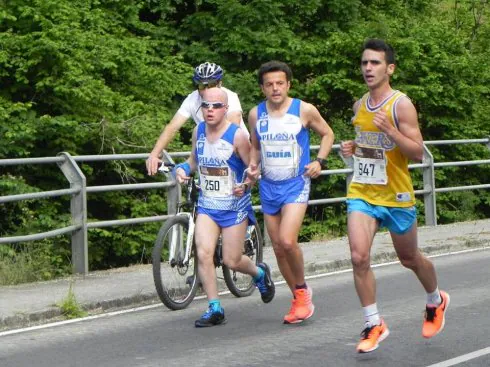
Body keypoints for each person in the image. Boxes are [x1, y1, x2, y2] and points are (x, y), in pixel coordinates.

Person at [340, 39, 450, 353]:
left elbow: (418, 153)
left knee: (409, 258)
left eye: (374, 63)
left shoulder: (400, 105)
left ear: (390, 68)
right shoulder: (359, 104)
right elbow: (364, 149)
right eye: (364, 63)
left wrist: (392, 131)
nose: (368, 68)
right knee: (359, 257)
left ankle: (435, 300)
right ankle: (373, 322)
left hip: (397, 195)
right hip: (363, 192)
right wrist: (349, 149)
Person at [173, 87, 275, 327]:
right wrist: (183, 169)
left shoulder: (237, 136)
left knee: (232, 260)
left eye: (216, 106)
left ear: (226, 109)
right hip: (208, 205)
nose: (210, 110)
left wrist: (247, 184)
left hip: (233, 207)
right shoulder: (198, 131)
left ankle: (259, 273)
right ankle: (214, 307)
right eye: (206, 106)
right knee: (204, 252)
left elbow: (253, 168)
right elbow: (194, 161)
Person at [247, 61, 334, 324]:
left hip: (296, 183)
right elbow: (255, 145)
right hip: (268, 185)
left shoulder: (303, 110)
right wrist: (252, 168)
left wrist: (320, 161)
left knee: (287, 240)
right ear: (262, 87)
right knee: (278, 248)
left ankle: (303, 292)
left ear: (288, 85)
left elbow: (328, 133)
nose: (275, 88)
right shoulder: (255, 114)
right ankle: (299, 295)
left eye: (280, 83)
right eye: (269, 84)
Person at [146, 62, 248, 176]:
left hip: (234, 151)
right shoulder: (192, 99)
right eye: (201, 86)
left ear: (220, 84)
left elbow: (233, 124)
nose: (206, 90)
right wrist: (154, 154)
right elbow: (172, 127)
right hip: (209, 150)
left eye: (211, 85)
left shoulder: (230, 96)